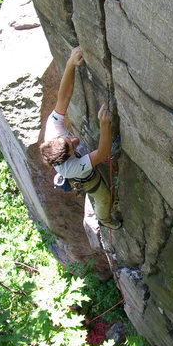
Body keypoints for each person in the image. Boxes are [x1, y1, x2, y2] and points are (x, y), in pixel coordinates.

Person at [40, 46, 121, 229]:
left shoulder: (53, 128)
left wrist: (70, 64)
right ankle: (104, 220)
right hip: (86, 178)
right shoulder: (70, 168)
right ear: (68, 157)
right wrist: (104, 124)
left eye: (69, 140)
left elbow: (65, 97)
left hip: (83, 164)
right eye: (72, 146)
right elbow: (102, 153)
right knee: (104, 197)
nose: (75, 140)